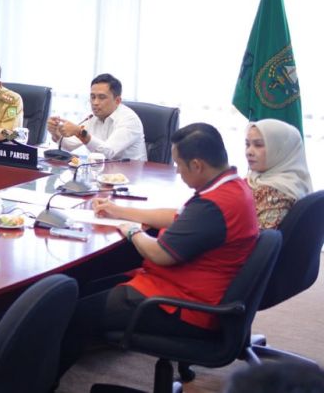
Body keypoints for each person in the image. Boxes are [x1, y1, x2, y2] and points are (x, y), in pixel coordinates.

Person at [57, 123, 258, 376]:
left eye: (179, 165)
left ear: (197, 165)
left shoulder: (214, 205)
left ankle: (42, 383)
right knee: (83, 289)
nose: (178, 171)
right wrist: (118, 210)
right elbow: (178, 217)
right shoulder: (231, 186)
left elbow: (159, 254)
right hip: (183, 289)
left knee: (75, 314)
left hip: (182, 306)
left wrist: (133, 231)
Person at [47, 73, 147, 161]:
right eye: (93, 97)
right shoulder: (93, 117)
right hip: (102, 171)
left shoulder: (129, 120)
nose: (95, 103)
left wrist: (79, 132)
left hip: (131, 174)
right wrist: (55, 133)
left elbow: (108, 152)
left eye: (101, 97)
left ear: (117, 101)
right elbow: (70, 145)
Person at [245, 118, 313, 229]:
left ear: (280, 149)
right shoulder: (255, 179)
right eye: (247, 144)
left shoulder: (278, 193)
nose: (249, 152)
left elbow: (259, 237)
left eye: (258, 145)